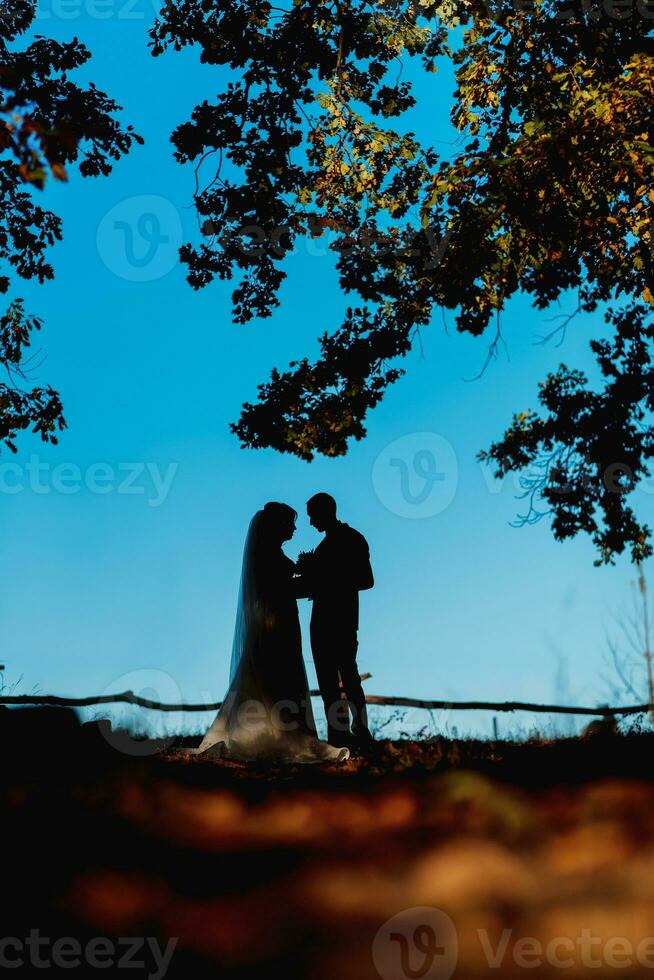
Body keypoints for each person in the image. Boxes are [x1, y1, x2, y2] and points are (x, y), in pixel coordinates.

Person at [194, 502, 349, 763]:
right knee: (279, 673)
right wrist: (318, 581)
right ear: (278, 525)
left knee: (275, 674)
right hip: (276, 625)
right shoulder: (269, 555)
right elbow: (281, 590)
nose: (295, 527)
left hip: (280, 621)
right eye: (291, 522)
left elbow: (283, 588)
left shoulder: (268, 553)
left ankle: (277, 728)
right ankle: (277, 734)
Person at [297, 493, 374, 751]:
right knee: (328, 681)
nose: (309, 522)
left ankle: (361, 732)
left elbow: (367, 579)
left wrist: (328, 578)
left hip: (342, 619)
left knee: (349, 676)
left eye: (312, 515)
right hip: (320, 622)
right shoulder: (322, 547)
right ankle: (338, 735)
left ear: (326, 511)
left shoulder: (353, 539)